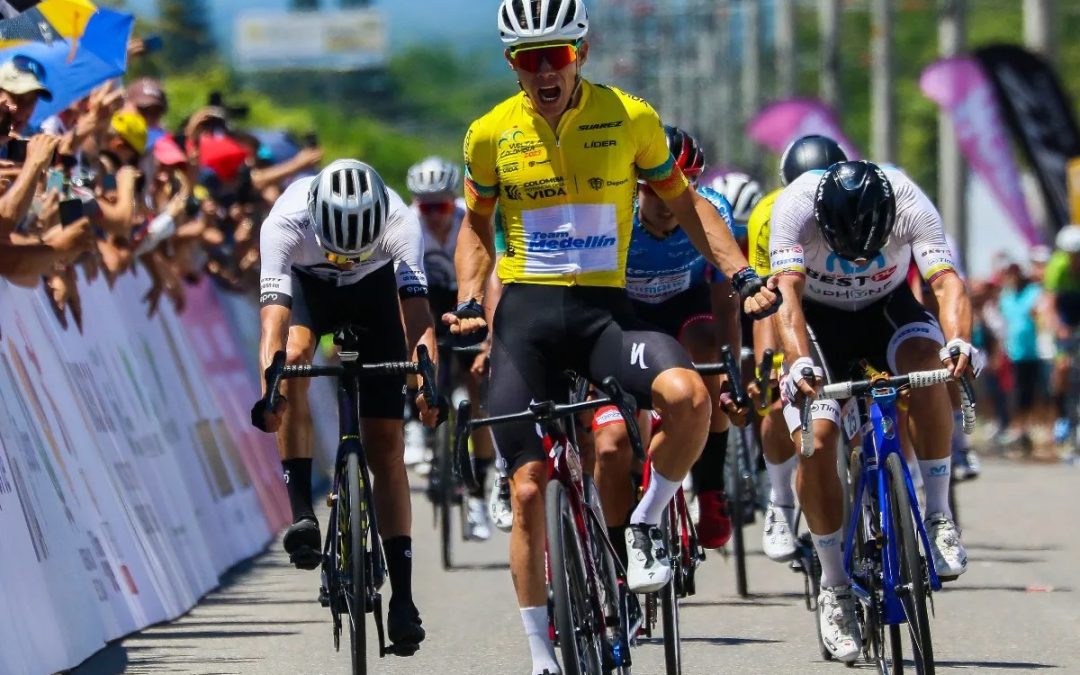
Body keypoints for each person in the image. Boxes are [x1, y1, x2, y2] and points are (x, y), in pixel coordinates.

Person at [445, 2, 779, 673]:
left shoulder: (630, 117)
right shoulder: (489, 135)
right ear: (512, 63)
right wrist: (465, 301)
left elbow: (687, 206)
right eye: (527, 58)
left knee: (689, 397)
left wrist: (741, 274)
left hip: (604, 313)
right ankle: (541, 653)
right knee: (530, 487)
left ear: (582, 52)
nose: (543, 70)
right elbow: (476, 228)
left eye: (556, 55)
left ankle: (649, 517)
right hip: (527, 323)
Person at [771, 160, 975, 662]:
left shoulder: (909, 200)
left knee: (929, 367)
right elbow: (787, 299)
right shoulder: (795, 207)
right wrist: (796, 362)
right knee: (817, 439)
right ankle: (835, 588)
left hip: (887, 312)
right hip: (818, 325)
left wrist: (959, 341)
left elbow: (946, 283)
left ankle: (939, 514)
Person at [251, 159, 438, 652]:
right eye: (337, 249)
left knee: (387, 449)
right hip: (311, 293)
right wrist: (271, 392)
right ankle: (302, 516)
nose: (344, 259)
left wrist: (426, 383)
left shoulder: (400, 221)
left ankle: (403, 598)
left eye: (355, 249)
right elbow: (273, 320)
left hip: (376, 296)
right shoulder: (284, 221)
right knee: (290, 363)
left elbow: (417, 316)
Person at [592, 125, 742, 551]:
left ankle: (710, 488)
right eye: (652, 190)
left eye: (677, 187)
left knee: (708, 347)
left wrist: (731, 369)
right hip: (625, 314)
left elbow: (725, 299)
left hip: (687, 306)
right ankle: (620, 543)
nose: (665, 203)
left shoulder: (713, 211)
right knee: (613, 443)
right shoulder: (613, 215)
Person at [745, 134, 847, 562]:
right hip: (784, 298)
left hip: (842, 298)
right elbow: (770, 300)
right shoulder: (770, 214)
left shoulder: (851, 198)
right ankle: (781, 502)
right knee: (771, 387)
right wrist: (769, 366)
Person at [406, 155, 495, 540]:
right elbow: (403, 289)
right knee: (420, 355)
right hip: (425, 299)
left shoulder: (468, 218)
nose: (434, 215)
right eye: (426, 207)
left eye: (441, 205)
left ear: (452, 201)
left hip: (466, 302)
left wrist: (487, 332)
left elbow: (490, 275)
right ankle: (416, 425)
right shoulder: (407, 224)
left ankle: (479, 495)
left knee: (478, 390)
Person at [1045, 224, 1080, 445]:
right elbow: (1050, 304)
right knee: (1063, 366)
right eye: (1072, 256)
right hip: (1065, 313)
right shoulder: (1057, 266)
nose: (1075, 260)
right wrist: (1059, 328)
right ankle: (1060, 417)